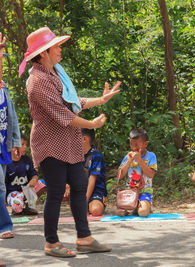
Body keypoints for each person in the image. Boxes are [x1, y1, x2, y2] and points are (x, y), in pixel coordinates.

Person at [20, 26, 120, 257]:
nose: (59, 49)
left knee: (79, 185)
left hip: (68, 142)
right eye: (56, 46)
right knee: (55, 192)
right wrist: (92, 125)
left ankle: (83, 237)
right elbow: (63, 115)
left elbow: (73, 101)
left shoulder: (56, 72)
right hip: (49, 144)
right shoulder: (37, 80)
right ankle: (51, 243)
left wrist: (101, 100)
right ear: (43, 52)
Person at [0, 32, 21, 240]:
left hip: (3, 145)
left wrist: (15, 142)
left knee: (2, 185)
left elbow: (11, 117)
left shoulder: (3, 87)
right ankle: (4, 225)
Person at [117, 129, 157, 217]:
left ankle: (141, 205)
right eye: (131, 144)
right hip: (130, 192)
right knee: (120, 213)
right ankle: (134, 206)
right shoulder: (127, 156)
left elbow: (151, 174)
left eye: (136, 145)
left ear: (145, 144)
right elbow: (119, 175)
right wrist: (128, 161)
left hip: (144, 192)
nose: (133, 147)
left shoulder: (151, 156)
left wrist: (139, 160)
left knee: (143, 212)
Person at [6, 134, 39, 215]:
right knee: (17, 208)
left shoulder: (27, 160)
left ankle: (30, 207)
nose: (25, 147)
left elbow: (33, 173)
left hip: (25, 190)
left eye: (26, 145)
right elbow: (3, 184)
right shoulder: (6, 163)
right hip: (13, 193)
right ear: (13, 147)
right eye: (22, 144)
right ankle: (17, 207)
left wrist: (34, 179)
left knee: (41, 184)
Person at [82, 128, 107, 216]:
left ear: (84, 139)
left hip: (95, 192)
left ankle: (98, 202)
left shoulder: (96, 155)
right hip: (79, 191)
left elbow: (92, 180)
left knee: (96, 210)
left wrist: (84, 201)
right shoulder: (75, 155)